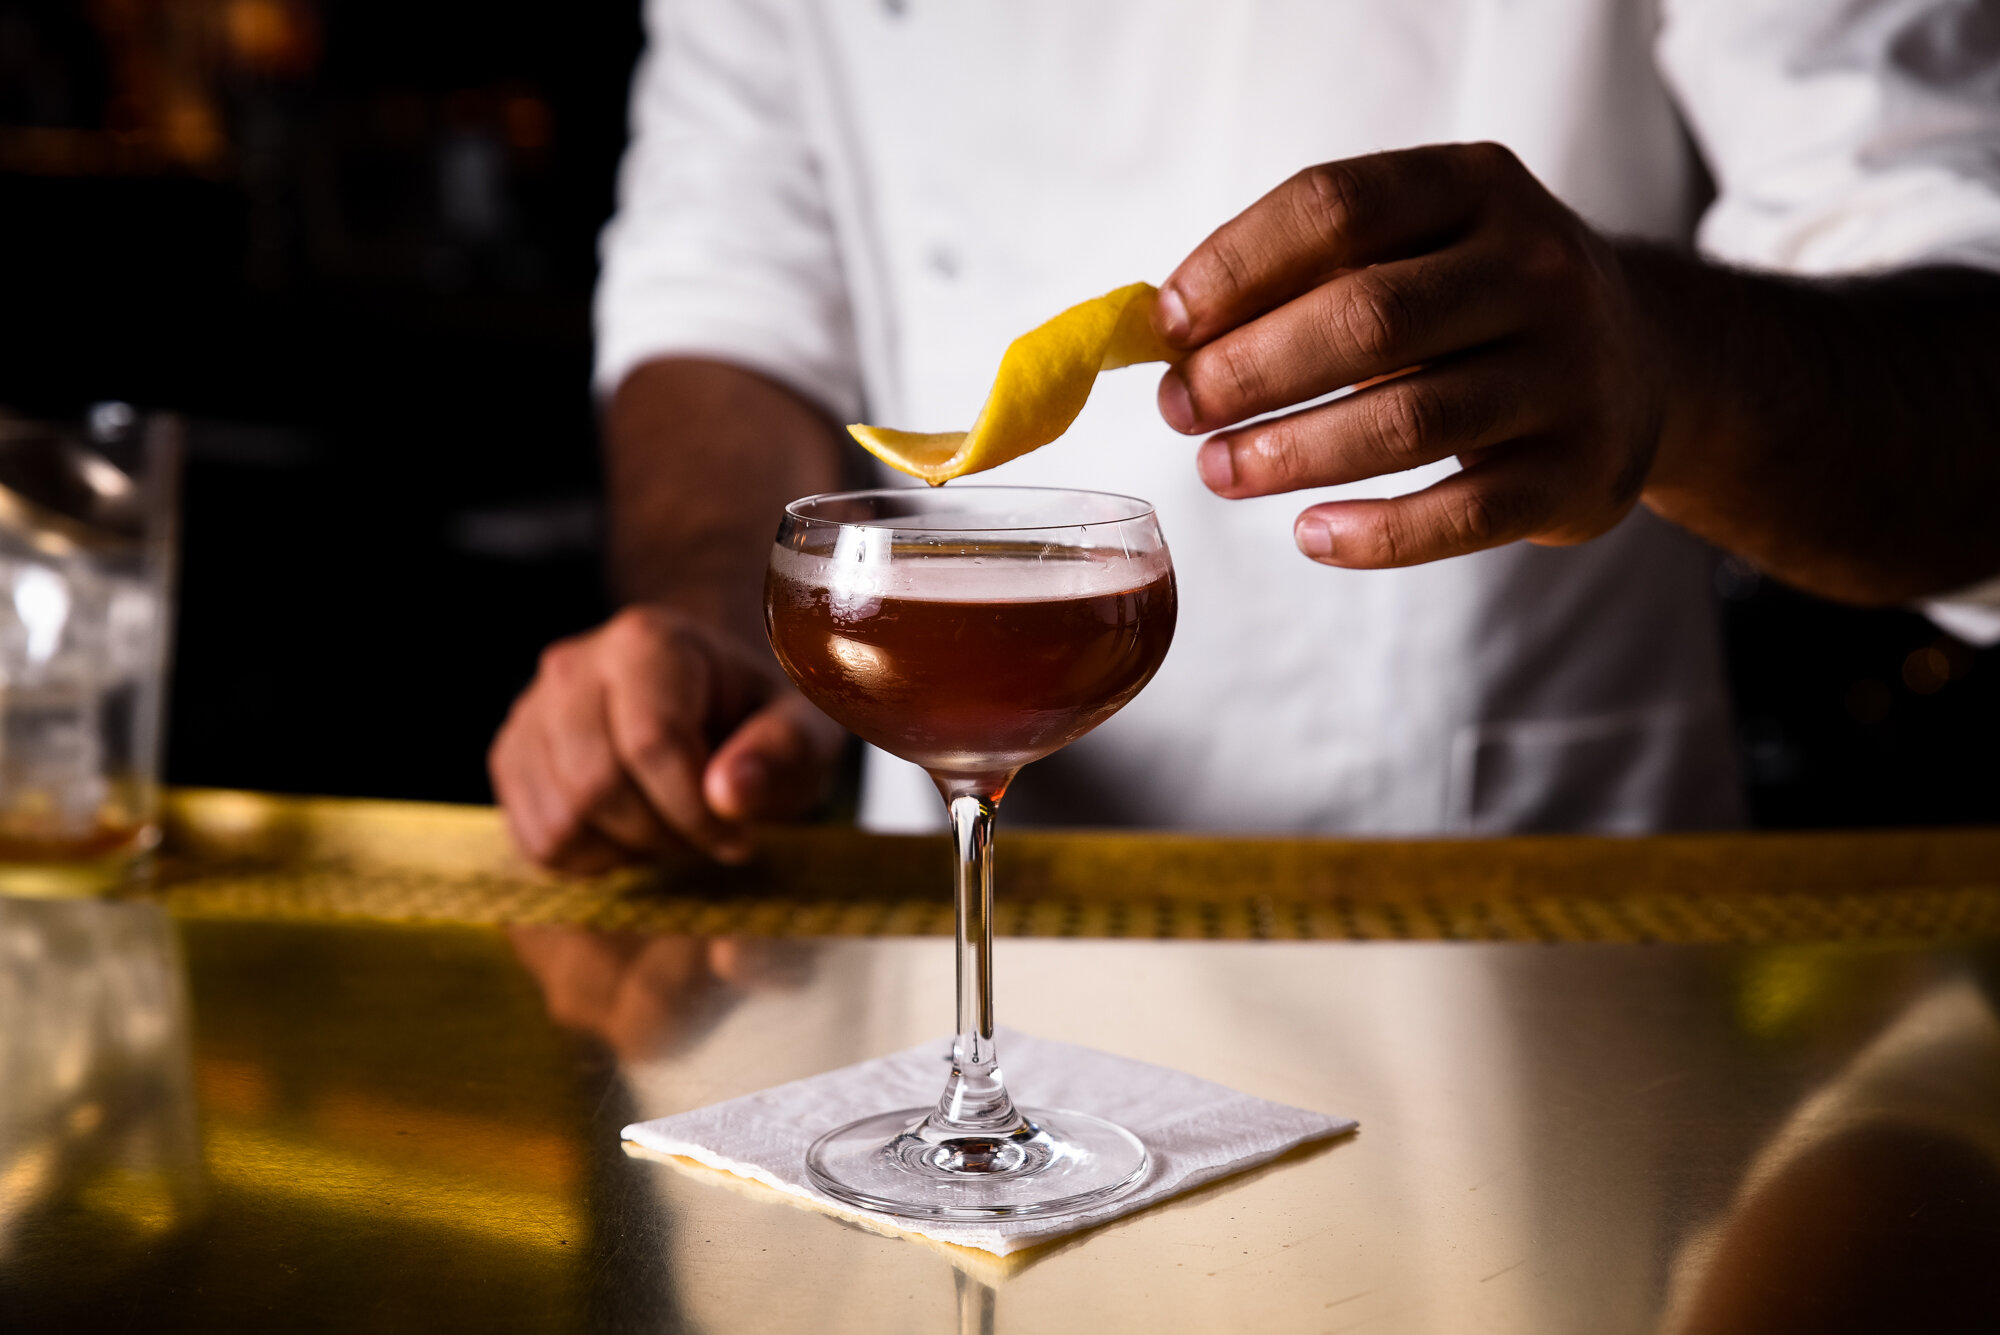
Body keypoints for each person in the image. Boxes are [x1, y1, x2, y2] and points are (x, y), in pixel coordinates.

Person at [490, 0, 2000, 873]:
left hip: (1517, 957)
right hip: (955, 903)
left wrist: (1663, 362)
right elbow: (729, 285)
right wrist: (713, 635)